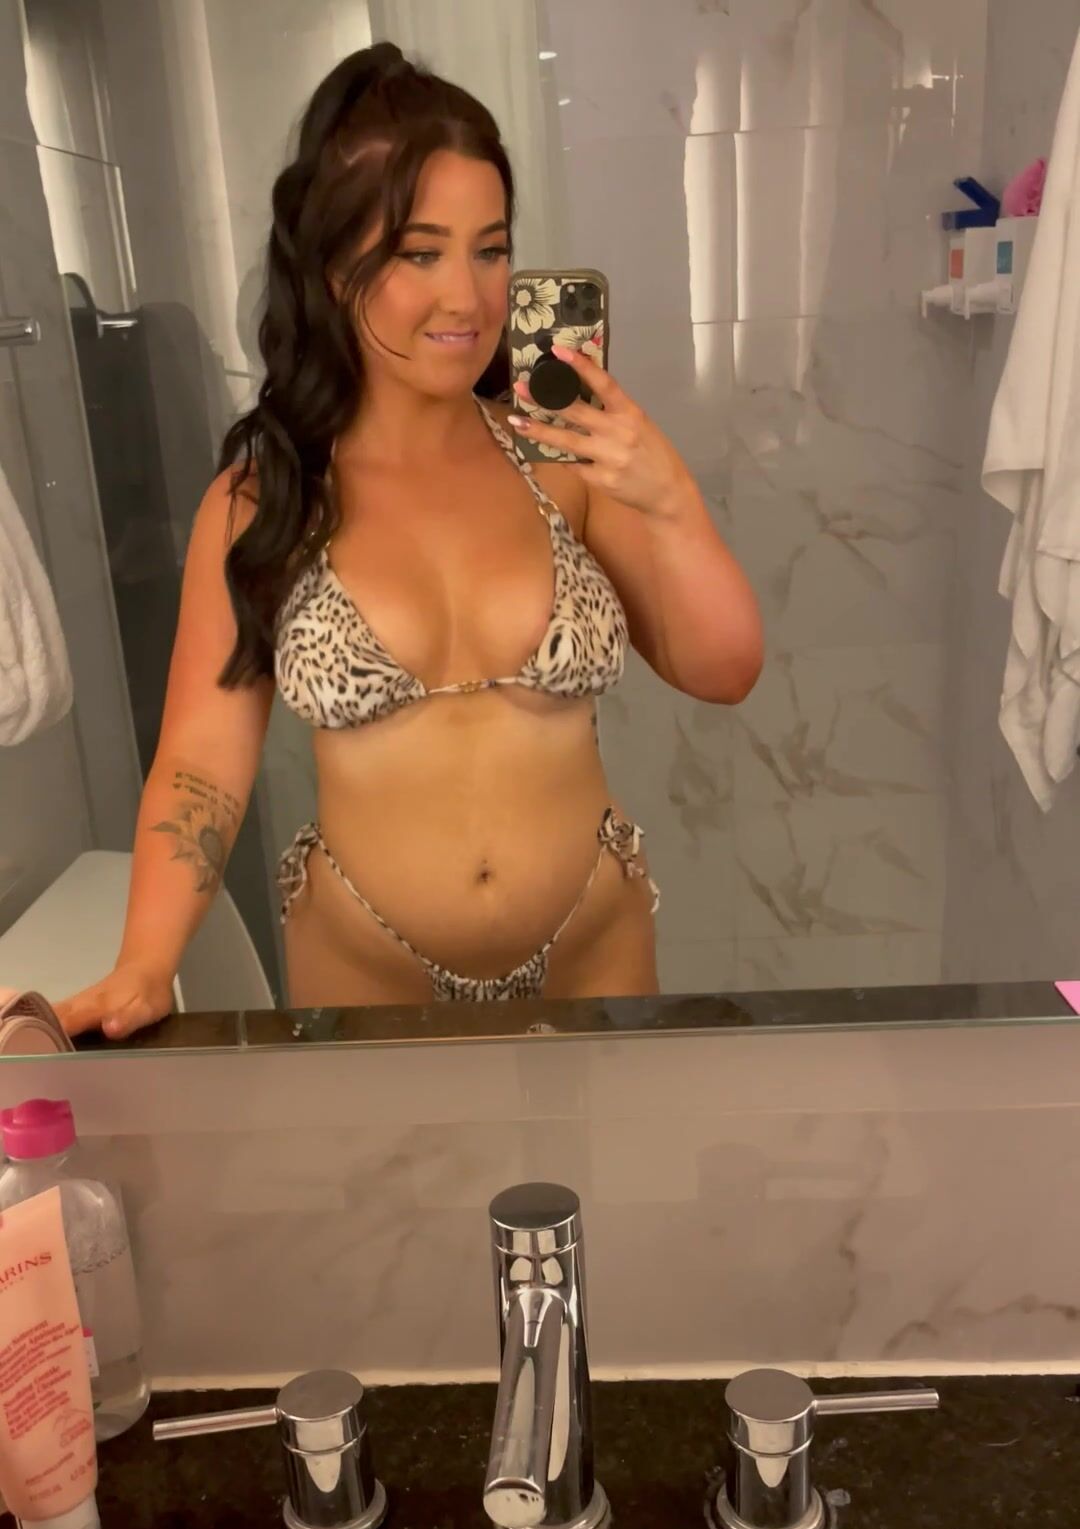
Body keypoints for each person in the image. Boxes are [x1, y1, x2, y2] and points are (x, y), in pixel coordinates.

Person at [57, 43, 762, 1041]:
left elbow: (724, 669)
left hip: (593, 955)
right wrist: (144, 962)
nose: (467, 298)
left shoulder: (563, 461)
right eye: (420, 253)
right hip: (367, 974)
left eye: (491, 249)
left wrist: (671, 499)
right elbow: (201, 761)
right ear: (332, 261)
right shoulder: (265, 501)